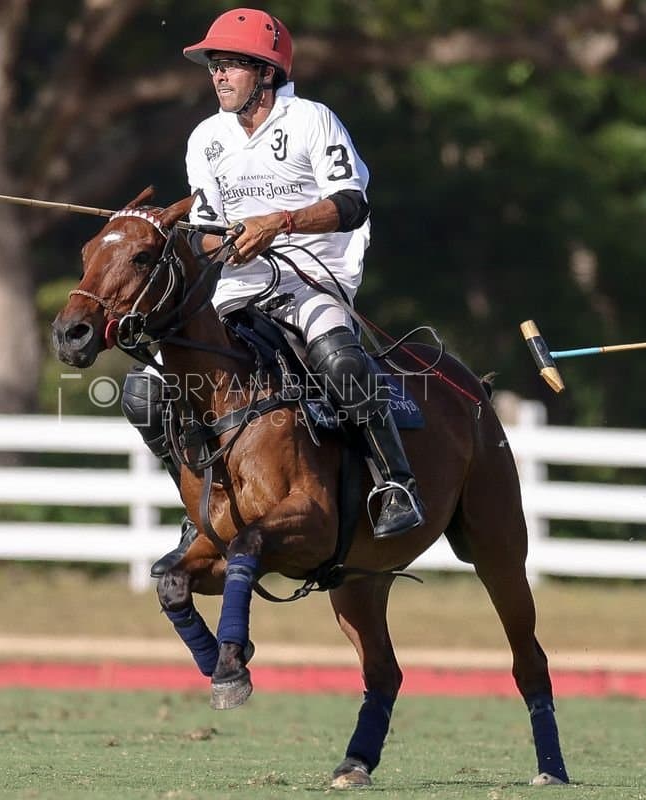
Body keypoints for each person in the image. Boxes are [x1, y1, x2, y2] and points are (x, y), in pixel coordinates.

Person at [122, 8, 425, 577]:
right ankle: (199, 506)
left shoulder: (312, 120)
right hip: (236, 292)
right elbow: (208, 232)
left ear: (266, 72)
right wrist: (177, 234)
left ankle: (395, 482)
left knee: (337, 358)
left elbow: (352, 204)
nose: (218, 76)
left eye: (232, 64)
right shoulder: (205, 138)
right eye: (214, 65)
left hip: (314, 277)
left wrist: (277, 224)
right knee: (145, 392)